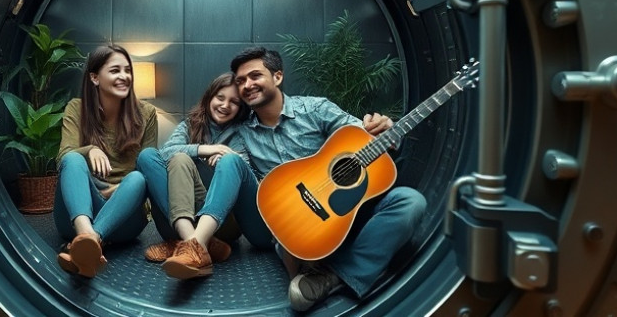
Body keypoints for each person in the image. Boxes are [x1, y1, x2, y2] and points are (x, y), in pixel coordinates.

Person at [230, 46, 426, 311]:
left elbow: (361, 137)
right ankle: (342, 263)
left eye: (255, 76)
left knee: (410, 202)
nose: (247, 85)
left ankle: (332, 276)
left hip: (348, 210)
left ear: (277, 77)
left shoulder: (316, 108)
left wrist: (388, 132)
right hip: (295, 224)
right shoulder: (242, 133)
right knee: (295, 246)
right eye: (240, 81)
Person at [54, 45, 159, 278]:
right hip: (80, 209)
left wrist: (114, 192)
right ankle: (88, 237)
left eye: (127, 70)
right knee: (72, 158)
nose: (124, 76)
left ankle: (86, 243)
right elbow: (62, 159)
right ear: (94, 77)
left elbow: (150, 169)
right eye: (115, 71)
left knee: (138, 178)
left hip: (124, 214)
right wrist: (89, 149)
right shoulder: (76, 108)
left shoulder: (147, 113)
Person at [135, 72, 249, 278]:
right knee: (149, 156)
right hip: (183, 210)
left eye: (234, 102)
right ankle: (197, 244)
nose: (225, 105)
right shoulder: (190, 124)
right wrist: (206, 149)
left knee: (183, 159)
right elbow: (164, 153)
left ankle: (184, 244)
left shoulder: (242, 133)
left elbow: (245, 170)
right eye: (220, 98)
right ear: (209, 97)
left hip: (221, 220)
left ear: (240, 108)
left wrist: (226, 162)